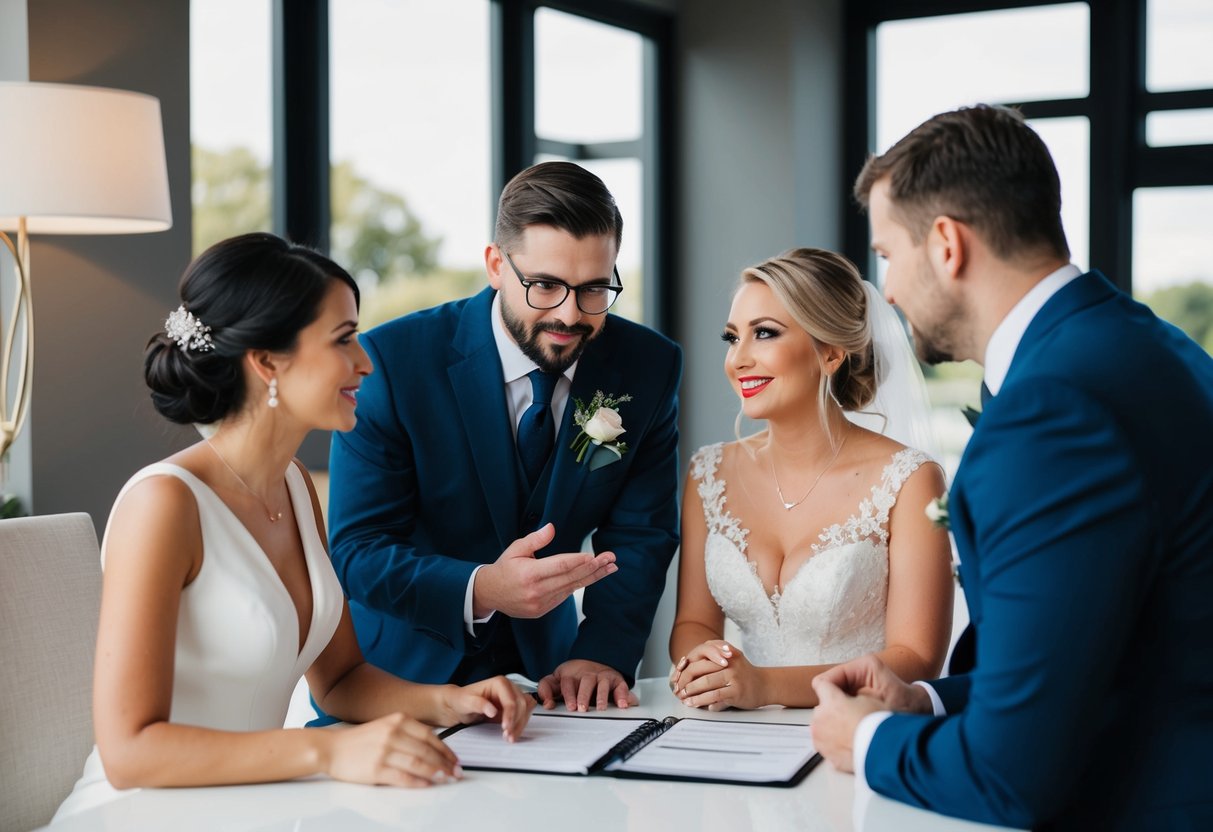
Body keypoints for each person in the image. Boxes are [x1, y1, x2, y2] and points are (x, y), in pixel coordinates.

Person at [811, 105, 1213, 830]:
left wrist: (863, 738)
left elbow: (1007, 777)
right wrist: (926, 701)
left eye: (885, 256)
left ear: (945, 244)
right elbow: (1108, 652)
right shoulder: (1148, 347)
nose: (888, 292)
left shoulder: (1051, 409)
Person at [54, 233, 532, 821]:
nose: (366, 362)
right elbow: (130, 751)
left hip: (259, 805)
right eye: (343, 339)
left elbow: (340, 681)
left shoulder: (297, 486)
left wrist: (450, 702)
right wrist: (328, 749)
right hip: (148, 812)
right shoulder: (164, 505)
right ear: (267, 361)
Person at [325, 161, 681, 714]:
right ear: (496, 265)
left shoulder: (647, 366)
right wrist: (483, 589)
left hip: (553, 685)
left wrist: (602, 653)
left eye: (593, 289)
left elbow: (640, 535)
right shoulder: (392, 364)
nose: (569, 314)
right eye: (544, 286)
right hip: (401, 684)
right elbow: (358, 549)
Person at [668, 248, 953, 710]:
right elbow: (692, 624)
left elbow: (917, 659)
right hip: (732, 737)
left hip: (860, 732)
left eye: (764, 334)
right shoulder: (708, 473)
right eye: (731, 337)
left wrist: (765, 687)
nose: (737, 359)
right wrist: (703, 663)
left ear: (831, 353)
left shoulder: (910, 480)